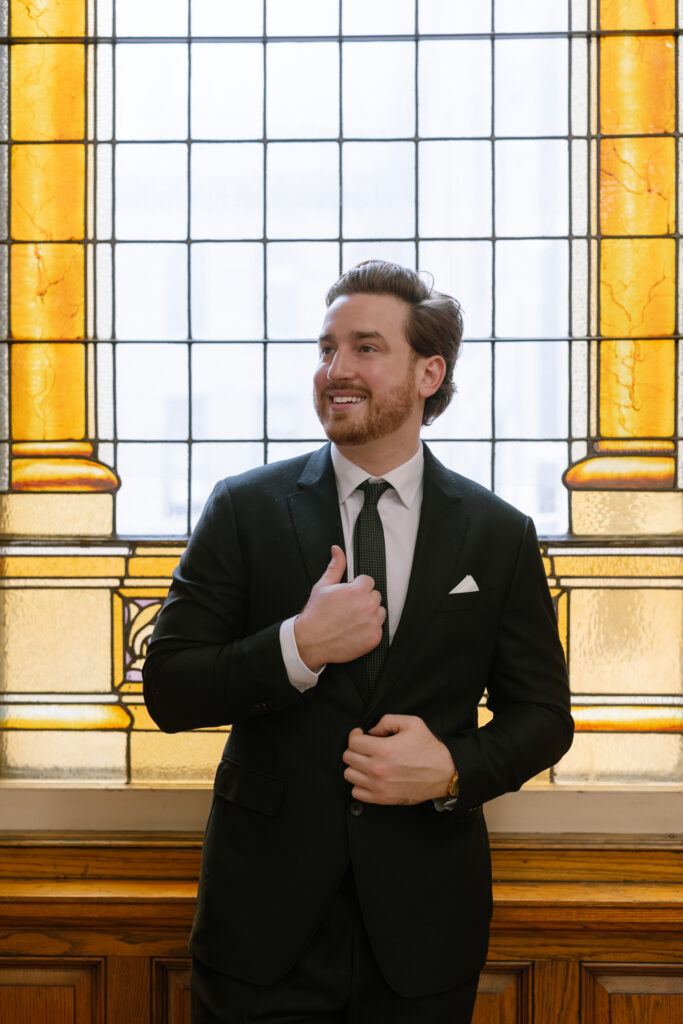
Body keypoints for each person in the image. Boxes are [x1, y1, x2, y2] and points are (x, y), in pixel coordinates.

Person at [143, 260, 573, 1024]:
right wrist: (298, 646)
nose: (335, 371)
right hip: (260, 936)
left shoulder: (497, 535)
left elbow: (541, 715)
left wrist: (449, 769)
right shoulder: (243, 509)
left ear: (429, 372)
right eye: (325, 348)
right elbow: (169, 688)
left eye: (365, 348)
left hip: (424, 937)